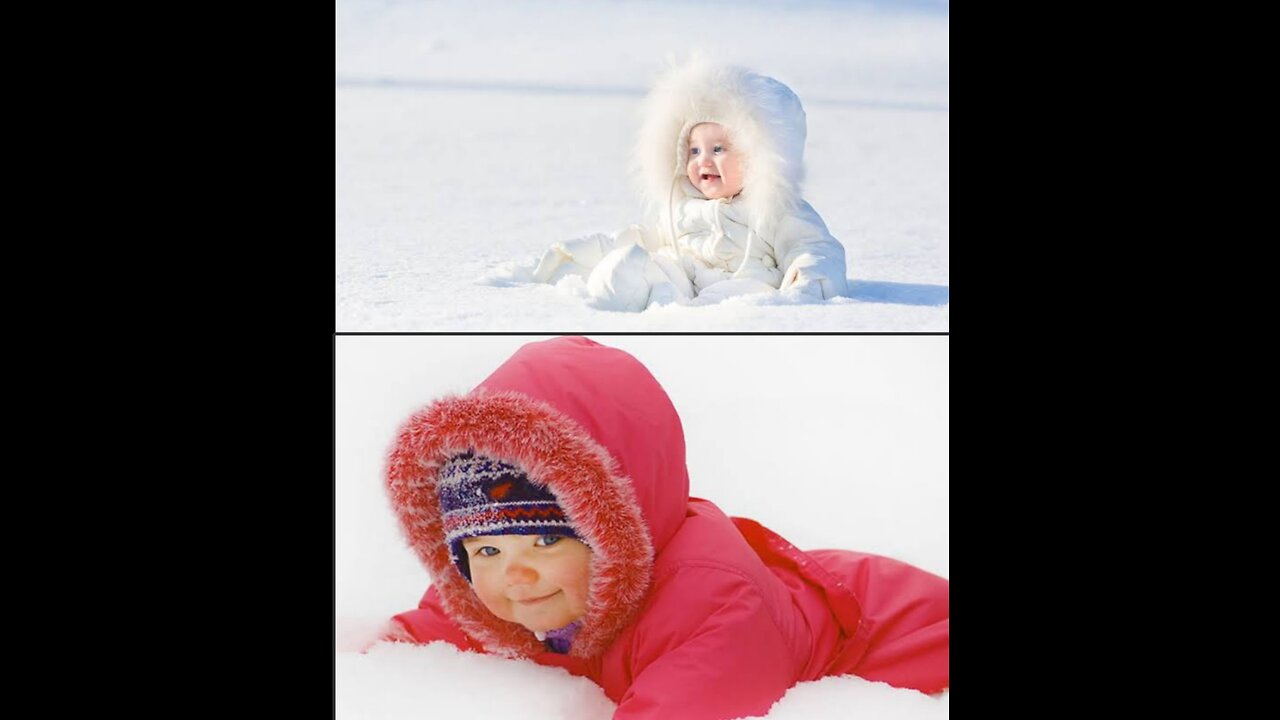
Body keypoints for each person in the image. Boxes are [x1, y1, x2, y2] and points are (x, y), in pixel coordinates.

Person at [383, 337, 947, 719]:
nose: (515, 573)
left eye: (548, 538)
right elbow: (411, 646)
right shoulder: (484, 597)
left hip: (904, 631)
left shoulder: (712, 608)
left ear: (615, 531)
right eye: (483, 549)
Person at [532, 57, 850, 311]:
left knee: (736, 299)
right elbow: (643, 237)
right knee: (631, 263)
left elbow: (815, 248)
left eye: (719, 149)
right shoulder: (680, 206)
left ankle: (687, 319)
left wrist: (808, 280)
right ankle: (601, 315)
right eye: (694, 150)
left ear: (760, 159)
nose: (703, 161)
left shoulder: (776, 211)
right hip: (681, 282)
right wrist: (582, 253)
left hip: (742, 292)